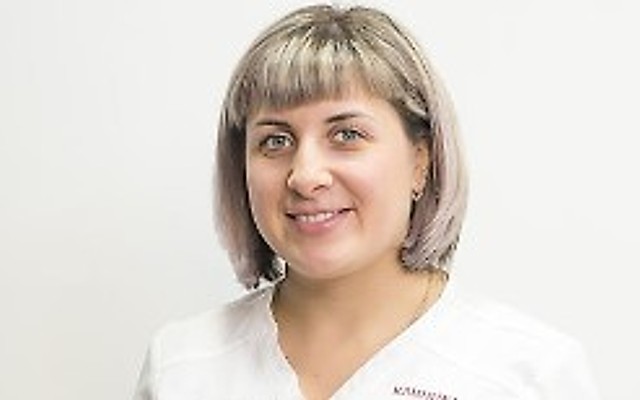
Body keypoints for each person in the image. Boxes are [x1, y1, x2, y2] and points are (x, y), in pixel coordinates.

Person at [133, 4, 600, 399]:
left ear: (421, 161)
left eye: (347, 135)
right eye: (276, 141)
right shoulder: (182, 365)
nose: (306, 176)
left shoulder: (528, 374)